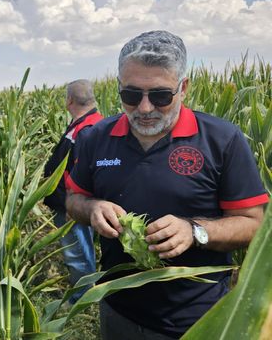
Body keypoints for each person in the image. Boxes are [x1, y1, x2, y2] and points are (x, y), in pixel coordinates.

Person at [65, 30, 268, 339]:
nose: (145, 108)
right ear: (118, 88)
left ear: (183, 88)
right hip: (117, 306)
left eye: (160, 96)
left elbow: (254, 224)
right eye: (131, 95)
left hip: (196, 318)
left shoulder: (222, 140)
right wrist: (91, 208)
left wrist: (195, 231)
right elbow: (73, 200)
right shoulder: (96, 137)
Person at [43, 79, 103, 304]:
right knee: (81, 245)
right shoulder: (88, 123)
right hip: (72, 201)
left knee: (76, 250)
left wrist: (72, 205)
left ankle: (82, 298)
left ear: (69, 100)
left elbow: (80, 171)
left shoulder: (86, 129)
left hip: (72, 204)